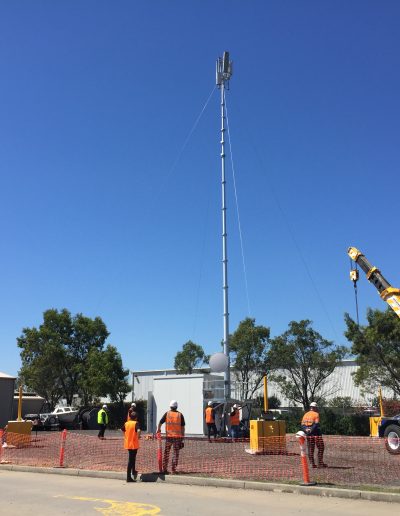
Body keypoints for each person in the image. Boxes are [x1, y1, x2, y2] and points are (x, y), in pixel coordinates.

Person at [157, 400, 185, 474]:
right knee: (175, 453)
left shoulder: (167, 414)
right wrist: (182, 437)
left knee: (166, 453)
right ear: (176, 406)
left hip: (169, 437)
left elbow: (160, 422)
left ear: (170, 406)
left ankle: (165, 469)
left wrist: (158, 429)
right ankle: (173, 469)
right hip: (177, 437)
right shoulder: (180, 415)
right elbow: (182, 428)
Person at [301, 401, 327, 468]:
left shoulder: (305, 414)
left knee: (310, 448)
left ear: (310, 407)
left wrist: (307, 430)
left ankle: (311, 464)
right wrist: (311, 430)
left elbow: (302, 425)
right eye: (316, 407)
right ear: (315, 407)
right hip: (316, 433)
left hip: (308, 434)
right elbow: (316, 424)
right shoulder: (316, 414)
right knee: (321, 447)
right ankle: (320, 463)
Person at [122, 410, 141, 482]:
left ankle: (133, 471)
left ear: (130, 417)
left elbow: (122, 430)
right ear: (136, 418)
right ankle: (128, 477)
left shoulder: (126, 423)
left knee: (132, 458)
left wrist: (126, 436)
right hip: (134, 443)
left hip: (128, 443)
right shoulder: (136, 423)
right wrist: (138, 436)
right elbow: (138, 430)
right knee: (131, 459)